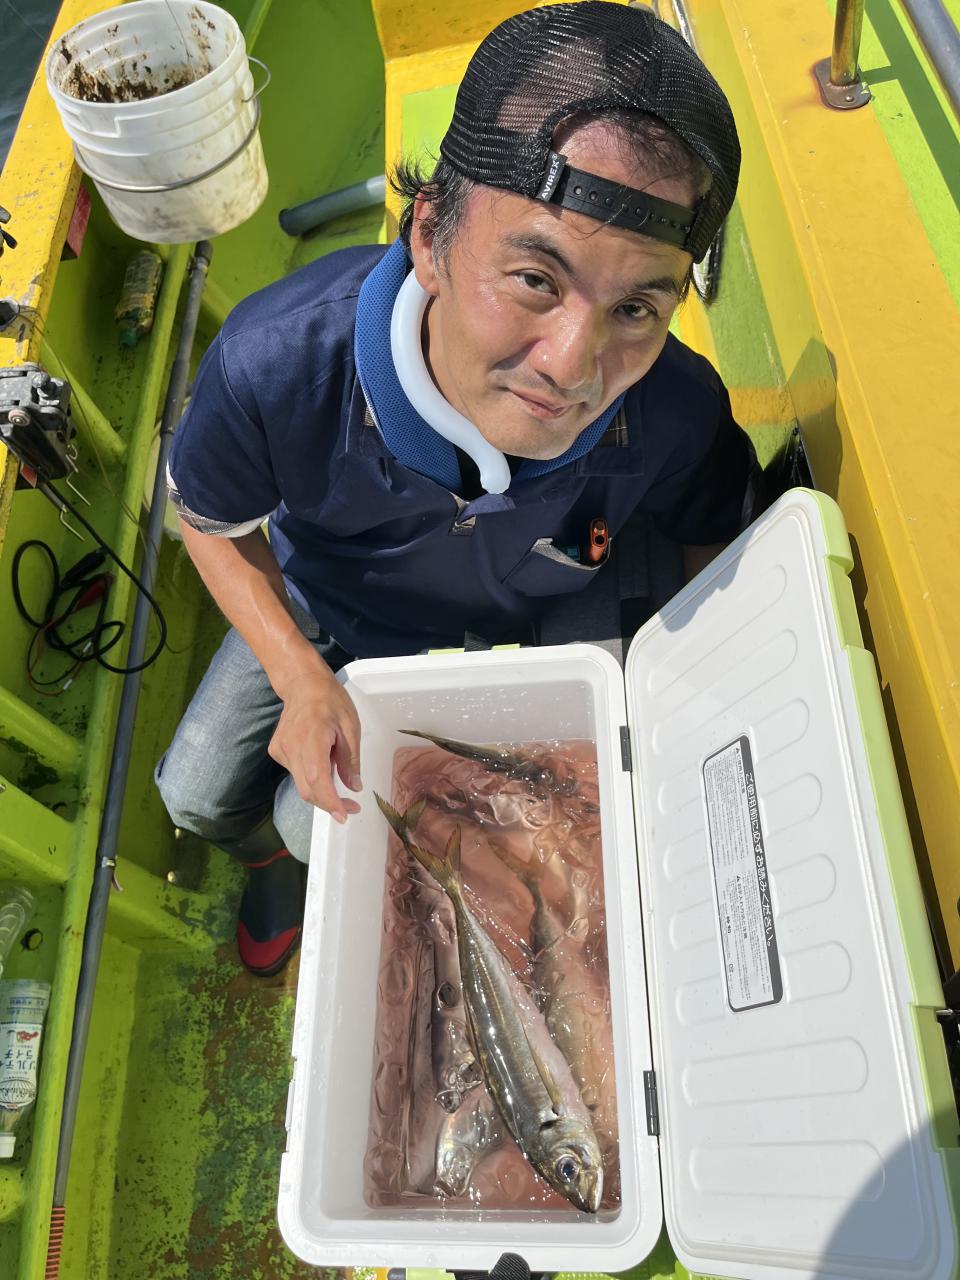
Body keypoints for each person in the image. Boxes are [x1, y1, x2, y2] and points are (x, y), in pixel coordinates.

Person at [156, 1, 757, 976]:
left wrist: (672, 706)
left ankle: (300, 853)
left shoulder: (677, 409)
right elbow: (211, 520)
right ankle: (265, 862)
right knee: (195, 795)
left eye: (637, 307)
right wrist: (301, 677)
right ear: (431, 232)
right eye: (536, 278)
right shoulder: (274, 364)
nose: (572, 365)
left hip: (546, 615)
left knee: (320, 827)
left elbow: (708, 546)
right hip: (333, 605)